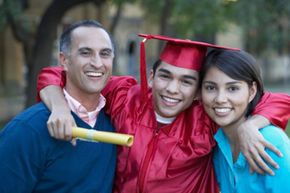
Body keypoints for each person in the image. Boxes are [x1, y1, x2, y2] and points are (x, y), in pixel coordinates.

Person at [37, 34, 290, 193]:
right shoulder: (126, 97)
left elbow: (277, 100)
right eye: (165, 76)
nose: (172, 89)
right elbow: (59, 74)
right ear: (150, 76)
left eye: (186, 81)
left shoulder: (206, 116)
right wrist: (59, 107)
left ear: (198, 92)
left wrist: (252, 124)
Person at [0, 20, 116, 193]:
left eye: (105, 53)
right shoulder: (27, 130)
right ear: (64, 60)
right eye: (85, 53)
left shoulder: (116, 120)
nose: (97, 63)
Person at [200, 49, 290, 193]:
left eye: (233, 88)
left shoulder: (272, 141)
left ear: (252, 91)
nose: (220, 99)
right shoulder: (217, 143)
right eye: (210, 88)